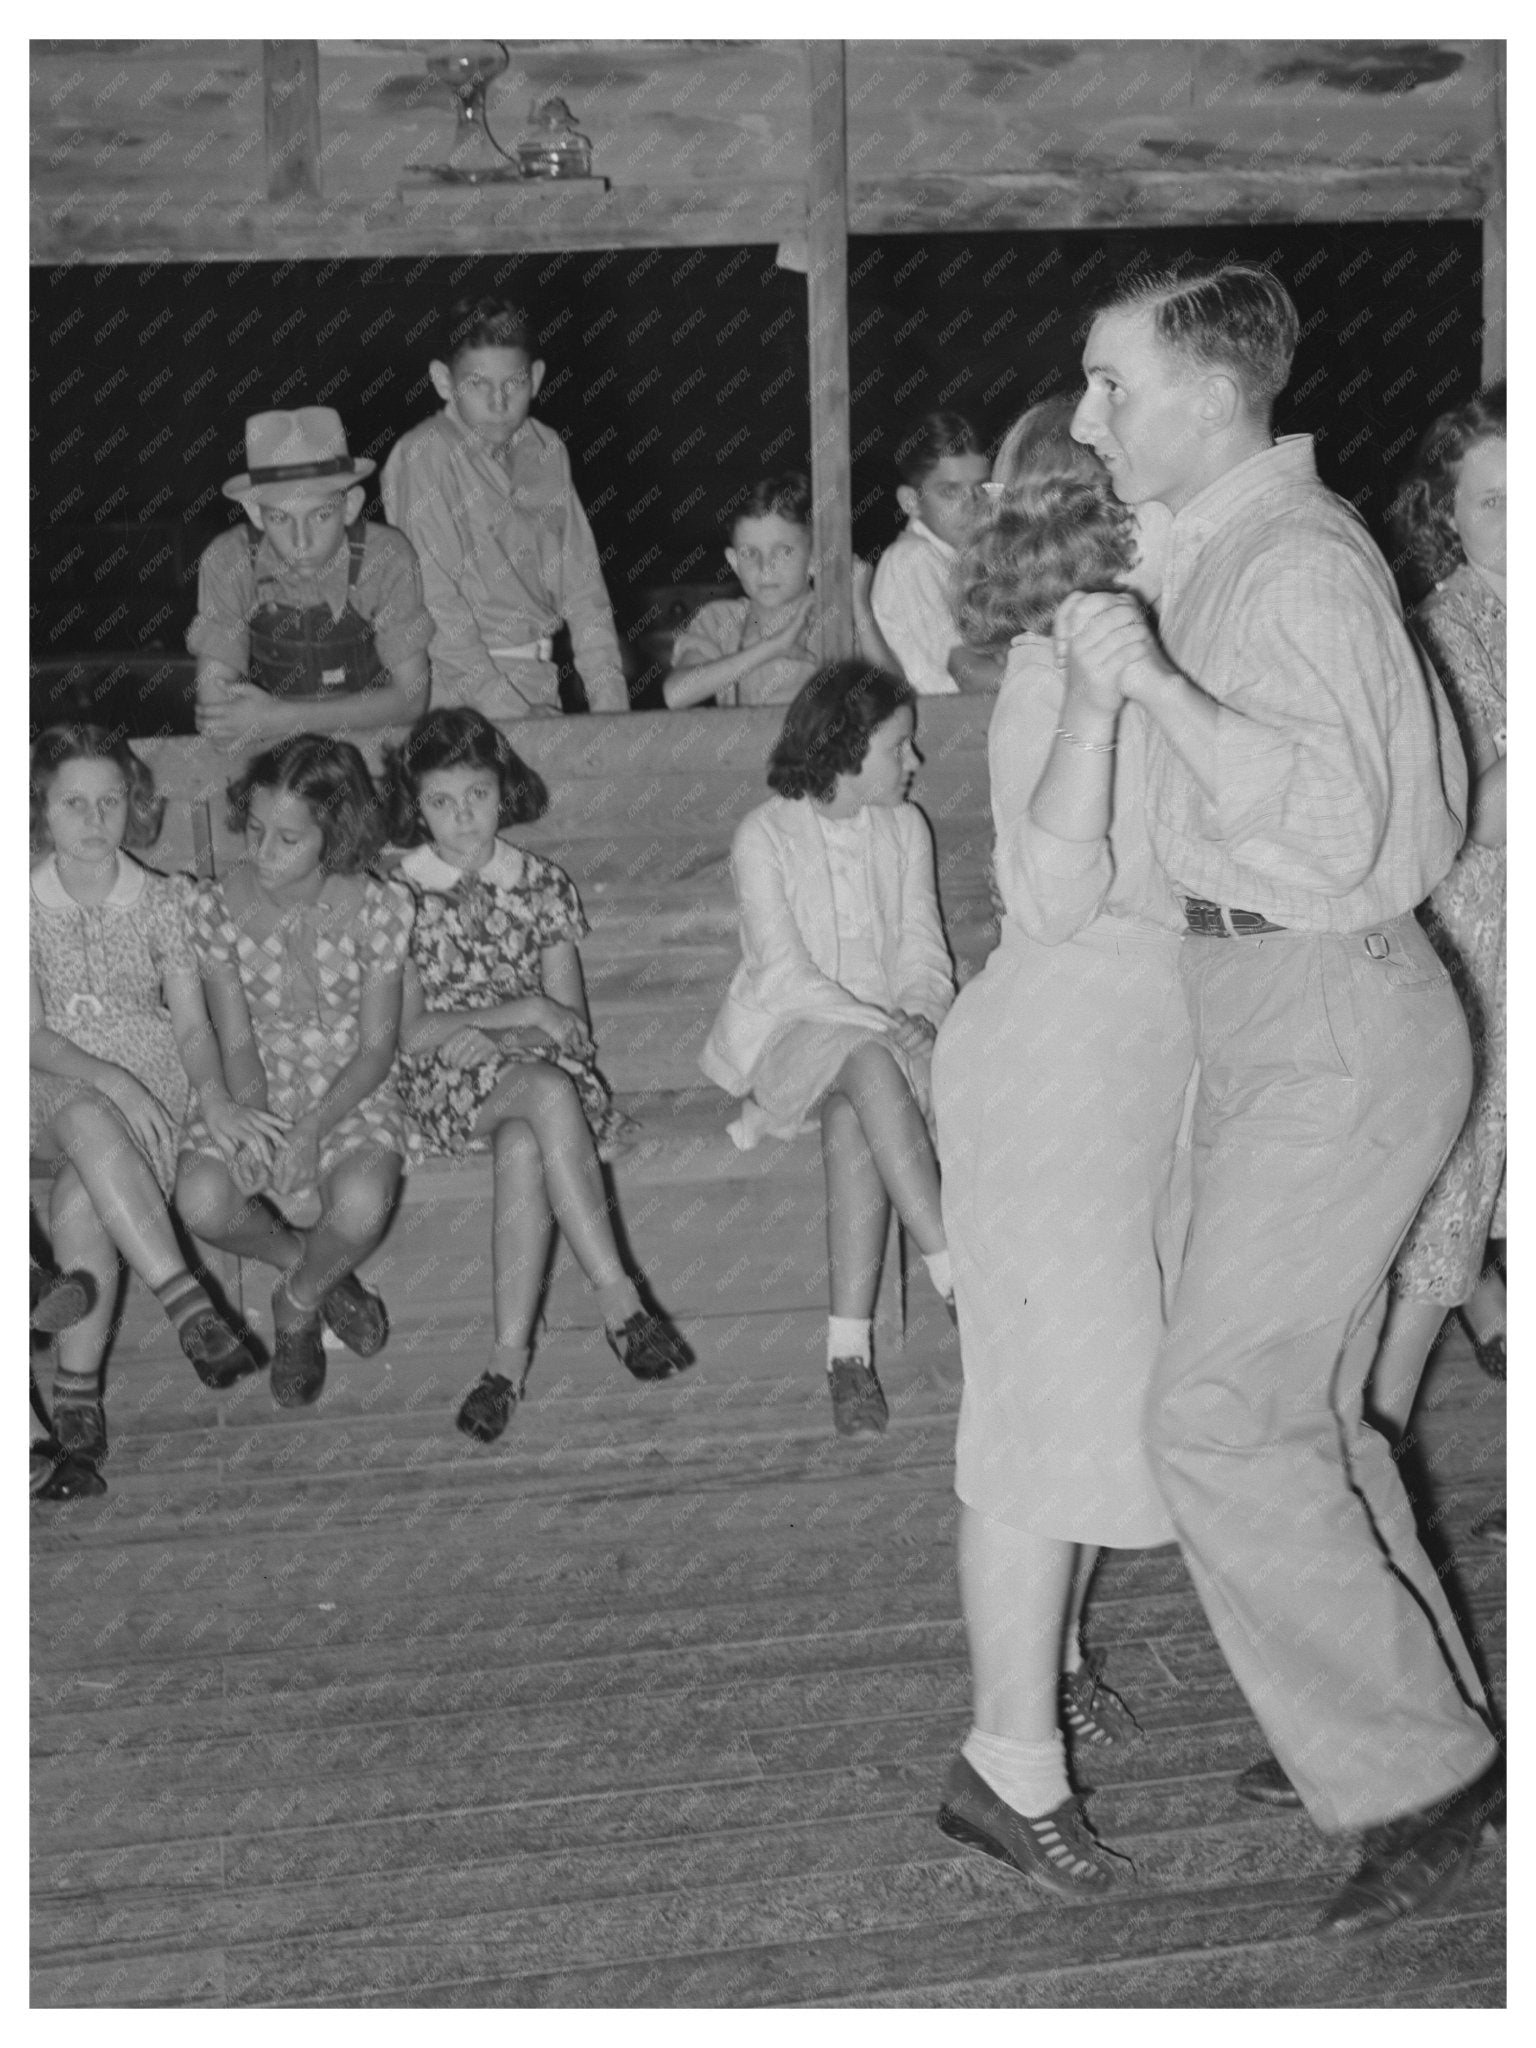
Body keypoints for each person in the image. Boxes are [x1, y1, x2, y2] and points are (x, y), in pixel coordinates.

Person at [1067, 263, 1500, 1938]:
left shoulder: (1296, 563)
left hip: (1325, 995)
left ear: (1201, 395)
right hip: (1285, 1001)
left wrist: (1162, 691)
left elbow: (1343, 829)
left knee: (1215, 1419)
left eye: (1109, 385)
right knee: (1295, 1413)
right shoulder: (1242, 550)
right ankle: (1417, 1732)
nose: (1093, 417)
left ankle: (1418, 1771)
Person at [930, 398, 1195, 1898]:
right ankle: (1003, 1764)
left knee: (1093, 1394)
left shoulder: (1139, 660)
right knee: (1037, 1426)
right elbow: (1046, 897)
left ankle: (1054, 1651)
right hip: (1055, 1073)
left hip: (1132, 1067)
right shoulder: (1054, 674)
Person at [385, 709, 692, 1443]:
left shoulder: (542, 885)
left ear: (503, 791)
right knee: (547, 1094)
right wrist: (521, 1016)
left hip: (531, 1080)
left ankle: (505, 1369)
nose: (463, 817)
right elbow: (411, 1033)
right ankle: (620, 1304)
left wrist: (501, 1035)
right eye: (440, 801)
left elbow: (573, 1029)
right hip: (444, 1085)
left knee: (529, 1136)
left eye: (478, 795)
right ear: (416, 804)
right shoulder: (396, 895)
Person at [700, 661, 955, 1435]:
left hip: (876, 1059)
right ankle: (960, 1281)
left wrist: (919, 1012)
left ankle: (848, 1359)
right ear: (846, 749)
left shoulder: (905, 827)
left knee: (858, 1111)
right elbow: (786, 976)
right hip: (790, 1039)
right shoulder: (765, 833)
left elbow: (923, 952)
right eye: (898, 746)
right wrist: (885, 1029)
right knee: (869, 1063)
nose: (913, 763)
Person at [30, 727, 267, 1498]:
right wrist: (116, 1080)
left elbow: (193, 1026)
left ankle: (77, 1425)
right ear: (43, 809)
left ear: (133, 805)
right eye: (73, 803)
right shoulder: (17, 900)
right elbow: (27, 1034)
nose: (94, 818)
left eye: (110, 800)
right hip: (47, 1079)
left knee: (81, 1201)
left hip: (149, 1092)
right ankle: (187, 1302)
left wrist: (212, 1097)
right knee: (91, 1111)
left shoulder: (164, 900)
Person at [174, 737, 411, 1409]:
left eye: (286, 839)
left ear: (334, 836)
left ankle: (298, 1304)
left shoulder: (378, 909)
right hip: (259, 1075)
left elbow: (375, 1049)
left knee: (362, 1202)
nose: (262, 852)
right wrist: (256, 1127)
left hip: (347, 1082)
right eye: (254, 831)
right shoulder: (221, 908)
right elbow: (237, 1035)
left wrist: (308, 1131)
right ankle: (311, 1265)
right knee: (202, 1200)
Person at [1371, 392, 1507, 1455]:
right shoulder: (1444, 632)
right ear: (1448, 516)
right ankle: (1372, 1467)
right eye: (1495, 501)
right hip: (1480, 952)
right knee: (1440, 1236)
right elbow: (1481, 814)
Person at [381, 295, 629, 720]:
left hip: (539, 681)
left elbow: (583, 586)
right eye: (477, 384)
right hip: (455, 695)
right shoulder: (423, 454)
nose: (499, 402)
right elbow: (437, 603)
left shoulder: (547, 448)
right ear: (444, 381)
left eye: (513, 383)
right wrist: (511, 710)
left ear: (535, 377)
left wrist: (611, 705)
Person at [189, 407, 434, 750]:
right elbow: (220, 722)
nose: (301, 542)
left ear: (350, 506)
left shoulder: (387, 557)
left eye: (320, 515)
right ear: (255, 514)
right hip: (277, 760)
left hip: (376, 754)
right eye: (279, 517)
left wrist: (278, 718)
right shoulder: (229, 561)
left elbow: (411, 700)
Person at [664, 476, 899, 708]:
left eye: (784, 552)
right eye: (749, 553)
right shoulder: (720, 620)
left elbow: (896, 694)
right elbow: (676, 694)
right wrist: (774, 647)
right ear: (734, 562)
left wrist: (859, 603)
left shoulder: (836, 618)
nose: (765, 568)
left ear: (814, 559)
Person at [870, 412, 1000, 695]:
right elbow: (969, 674)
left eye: (981, 488)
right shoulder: (912, 559)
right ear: (910, 501)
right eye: (951, 492)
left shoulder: (961, 559)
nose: (972, 505)